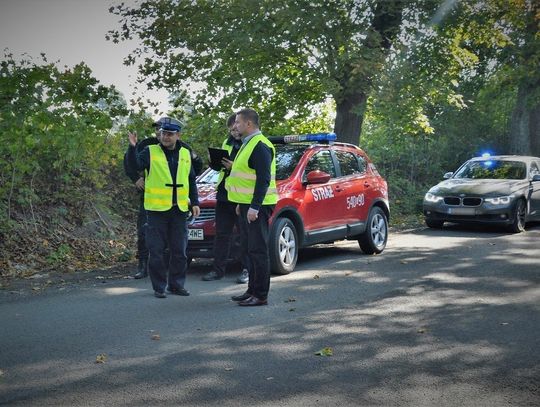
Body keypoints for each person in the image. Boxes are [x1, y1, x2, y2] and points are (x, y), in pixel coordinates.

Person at [127, 117, 200, 298]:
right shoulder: (149, 151)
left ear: (178, 135)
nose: (165, 137)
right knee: (157, 252)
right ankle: (159, 287)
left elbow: (191, 179)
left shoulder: (185, 153)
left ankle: (176, 285)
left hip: (179, 209)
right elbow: (134, 164)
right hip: (156, 210)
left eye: (169, 134)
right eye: (163, 133)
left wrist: (195, 202)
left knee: (179, 252)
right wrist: (132, 147)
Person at [227, 108, 278, 306]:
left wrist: (254, 207)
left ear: (248, 124)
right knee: (249, 249)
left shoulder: (260, 145)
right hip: (247, 205)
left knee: (258, 250)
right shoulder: (247, 144)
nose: (235, 126)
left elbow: (263, 179)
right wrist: (242, 204)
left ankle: (261, 295)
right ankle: (251, 291)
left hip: (259, 206)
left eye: (238, 123)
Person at [202, 114, 249, 283]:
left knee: (245, 234)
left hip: (241, 195)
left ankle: (247, 269)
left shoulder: (251, 144)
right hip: (224, 194)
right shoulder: (227, 142)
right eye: (231, 129)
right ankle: (218, 270)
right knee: (221, 234)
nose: (234, 131)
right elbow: (221, 167)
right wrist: (214, 162)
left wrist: (233, 166)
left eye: (236, 128)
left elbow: (251, 170)